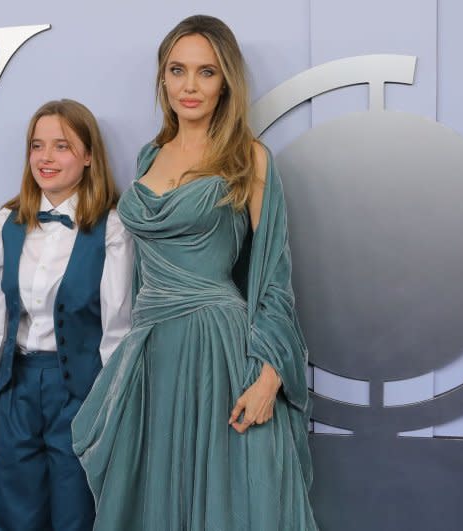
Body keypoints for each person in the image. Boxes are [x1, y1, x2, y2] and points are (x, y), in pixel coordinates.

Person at [72, 15, 318, 531]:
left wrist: (270, 376)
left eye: (206, 72)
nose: (190, 85)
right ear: (162, 77)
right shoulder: (148, 156)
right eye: (177, 70)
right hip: (153, 353)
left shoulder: (249, 158)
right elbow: (138, 274)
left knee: (227, 503)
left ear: (226, 80)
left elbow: (273, 275)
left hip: (220, 351)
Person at [0, 99, 133, 531]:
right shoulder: (6, 222)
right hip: (17, 389)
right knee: (14, 515)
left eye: (62, 146)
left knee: (78, 515)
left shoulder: (111, 227)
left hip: (79, 392)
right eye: (37, 145)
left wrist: (111, 417)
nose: (46, 157)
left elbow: (117, 333)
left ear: (88, 155)